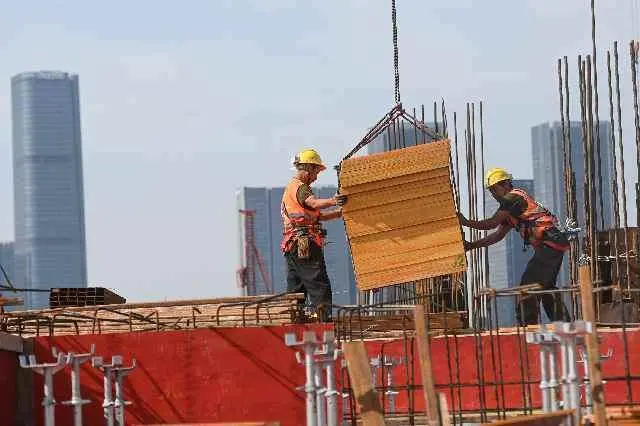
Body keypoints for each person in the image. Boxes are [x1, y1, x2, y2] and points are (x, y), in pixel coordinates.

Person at [458, 167, 571, 325]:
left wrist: (466, 222)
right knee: (545, 286)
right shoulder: (511, 208)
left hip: (550, 244)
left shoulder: (512, 199)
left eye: (494, 189)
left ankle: (527, 325)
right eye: (491, 191)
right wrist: (472, 245)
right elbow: (497, 235)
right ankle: (563, 324)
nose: (493, 194)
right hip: (552, 245)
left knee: (528, 284)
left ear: (505, 184)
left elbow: (491, 223)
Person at [281, 149, 347, 322]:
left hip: (293, 246)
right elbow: (313, 203)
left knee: (296, 288)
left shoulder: (291, 190)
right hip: (304, 243)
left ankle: (295, 320)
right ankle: (324, 320)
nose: (316, 176)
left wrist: (339, 212)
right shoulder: (300, 188)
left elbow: (319, 215)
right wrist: (334, 200)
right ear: (307, 168)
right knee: (318, 283)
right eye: (316, 171)